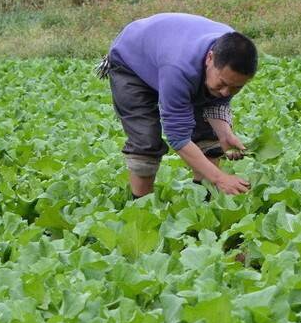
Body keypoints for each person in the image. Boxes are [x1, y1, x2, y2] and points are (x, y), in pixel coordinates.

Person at [97, 13, 257, 198]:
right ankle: (142, 208)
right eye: (222, 83)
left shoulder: (234, 51)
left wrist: (225, 133)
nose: (226, 92)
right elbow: (178, 138)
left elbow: (217, 100)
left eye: (236, 87)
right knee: (146, 140)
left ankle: (205, 202)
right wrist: (220, 178)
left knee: (209, 136)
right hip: (132, 60)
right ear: (209, 58)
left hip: (169, 51)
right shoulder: (179, 69)